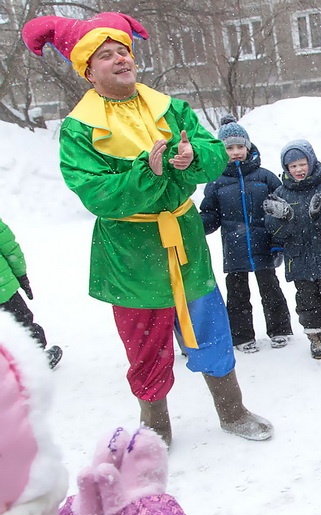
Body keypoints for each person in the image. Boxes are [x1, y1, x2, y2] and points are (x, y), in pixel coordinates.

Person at [22, 11, 272, 446]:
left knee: (211, 328)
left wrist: (192, 158)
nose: (121, 59)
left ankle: (232, 411)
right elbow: (94, 192)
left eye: (124, 51)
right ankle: (157, 429)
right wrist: (146, 172)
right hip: (130, 254)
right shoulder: (80, 129)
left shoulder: (170, 107)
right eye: (107, 55)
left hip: (185, 241)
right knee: (145, 347)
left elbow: (214, 153)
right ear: (88, 70)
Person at [0, 312, 254, 515]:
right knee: (148, 348)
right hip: (136, 283)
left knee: (203, 330)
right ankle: (159, 423)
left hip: (179, 274)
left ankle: (230, 410)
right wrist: (143, 510)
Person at [200, 115, 293, 354]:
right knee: (238, 296)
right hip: (234, 248)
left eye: (240, 146)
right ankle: (242, 336)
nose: (236, 152)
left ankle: (280, 329)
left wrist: (279, 242)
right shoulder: (216, 182)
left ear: (248, 147)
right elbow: (210, 216)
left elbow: (282, 208)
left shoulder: (264, 177)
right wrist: (194, 225)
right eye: (229, 148)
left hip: (265, 245)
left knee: (270, 290)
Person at [263, 140, 321, 359]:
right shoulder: (280, 193)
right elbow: (274, 231)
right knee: (306, 303)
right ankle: (316, 337)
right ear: (286, 169)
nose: (298, 169)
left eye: (302, 163)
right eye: (292, 166)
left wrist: (320, 214)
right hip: (299, 260)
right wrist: (282, 219)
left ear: (311, 162)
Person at [0, 216, 63, 368]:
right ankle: (36, 360)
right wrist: (21, 275)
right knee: (22, 323)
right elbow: (10, 249)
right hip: (3, 290)